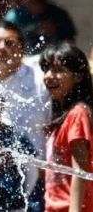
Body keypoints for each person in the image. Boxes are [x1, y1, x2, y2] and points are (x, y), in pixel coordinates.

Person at [0, 20, 51, 211]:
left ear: (22, 48)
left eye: (9, 43)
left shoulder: (42, 81)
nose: (2, 48)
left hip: (35, 184)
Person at [39, 43, 93, 212]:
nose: (48, 76)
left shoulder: (78, 113)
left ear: (78, 76)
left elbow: (80, 170)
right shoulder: (60, 118)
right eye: (46, 69)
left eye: (58, 70)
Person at [4, 0, 77, 55]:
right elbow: (7, 43)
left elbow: (70, 44)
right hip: (24, 61)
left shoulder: (59, 14)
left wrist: (55, 32)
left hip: (52, 61)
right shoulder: (13, 16)